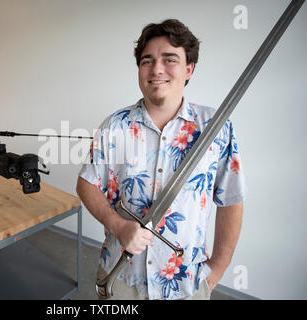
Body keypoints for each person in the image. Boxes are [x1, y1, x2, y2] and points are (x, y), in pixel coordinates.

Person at [76, 19, 246, 300]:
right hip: (121, 280)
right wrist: (119, 226)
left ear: (188, 68)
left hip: (185, 285)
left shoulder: (215, 127)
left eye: (170, 60)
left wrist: (217, 268)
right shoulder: (114, 125)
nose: (156, 69)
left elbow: (231, 199)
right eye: (147, 61)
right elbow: (86, 184)